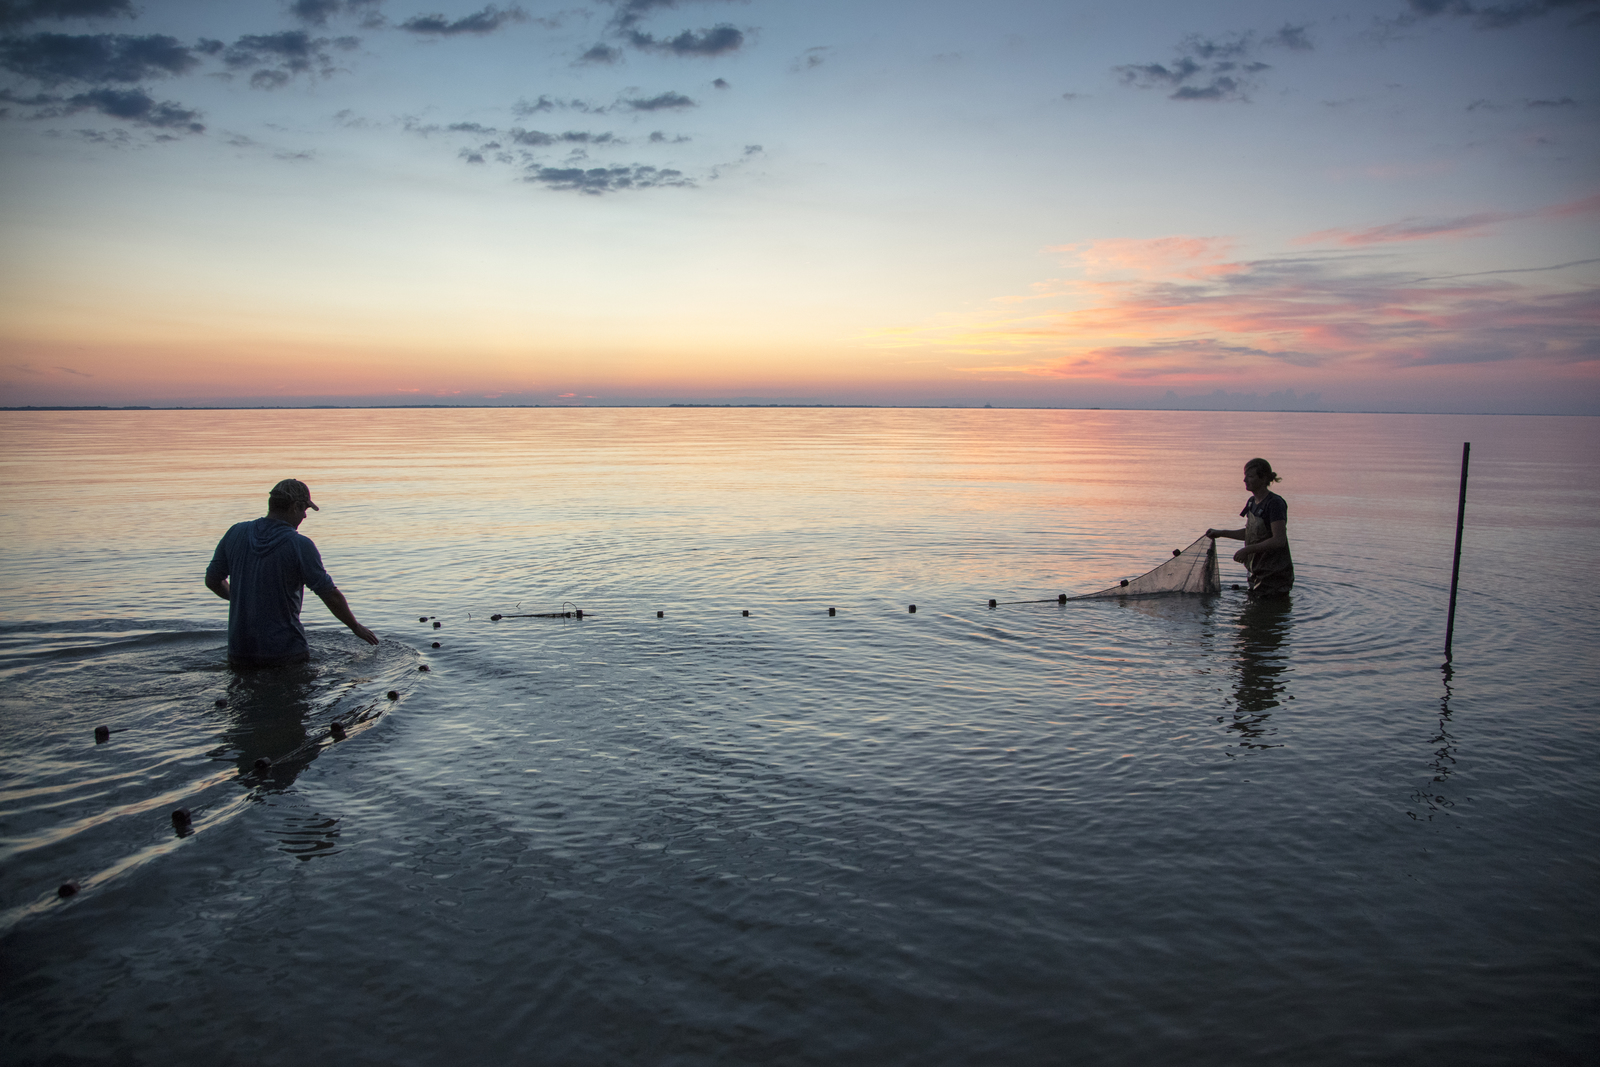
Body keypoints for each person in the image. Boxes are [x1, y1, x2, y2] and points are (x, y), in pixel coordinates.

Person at [206, 478, 379, 668]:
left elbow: (213, 580)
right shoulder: (299, 545)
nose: (305, 516)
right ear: (295, 507)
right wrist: (355, 626)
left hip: (240, 651)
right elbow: (330, 594)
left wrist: (242, 598)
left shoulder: (235, 532)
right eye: (305, 510)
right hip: (285, 652)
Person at [1206, 458, 1294, 598]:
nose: (1245, 480)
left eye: (1250, 476)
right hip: (1257, 571)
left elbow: (1279, 540)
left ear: (1263, 478)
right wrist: (1220, 533)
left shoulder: (1275, 504)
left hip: (1274, 575)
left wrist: (1247, 550)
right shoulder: (1252, 502)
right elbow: (1251, 533)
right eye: (1245, 475)